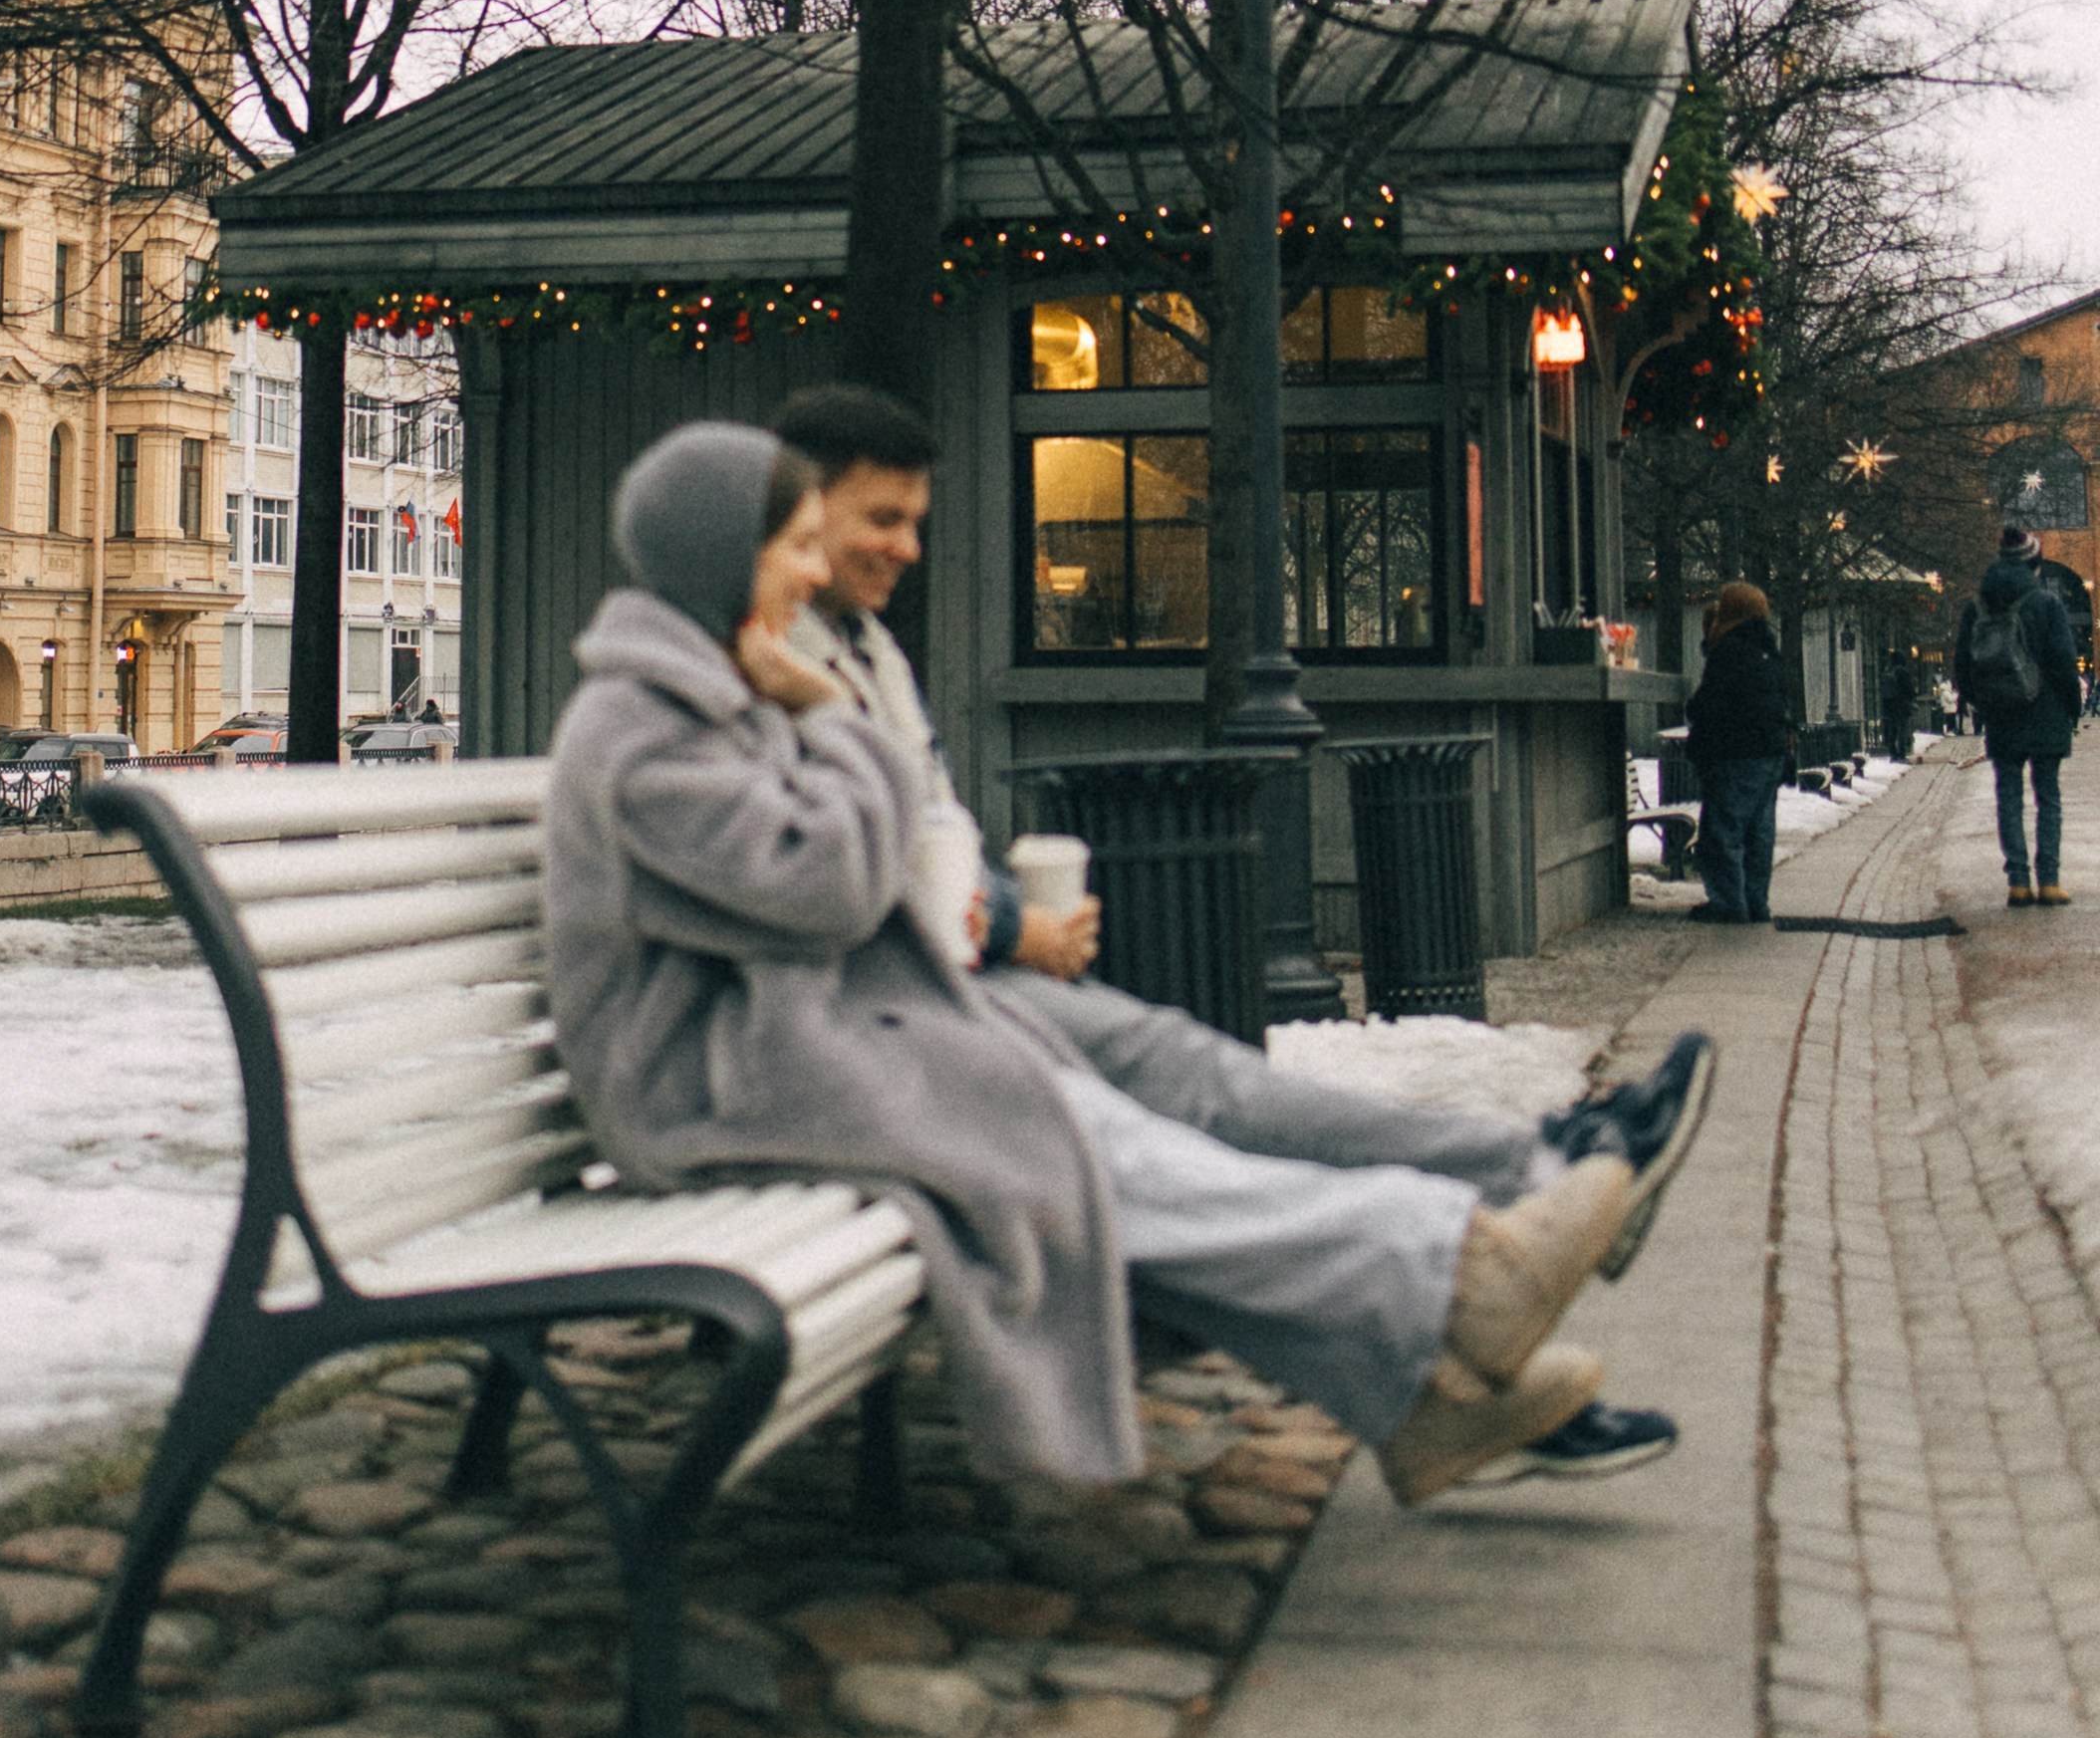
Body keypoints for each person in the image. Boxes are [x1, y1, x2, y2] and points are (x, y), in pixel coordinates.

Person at [546, 418, 1649, 1511]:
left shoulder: (709, 692)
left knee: (1098, 1134)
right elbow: (830, 888)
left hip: (789, 1051)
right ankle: (1458, 1272)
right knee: (1074, 1142)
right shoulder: (647, 729)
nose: (809, 569)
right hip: (712, 1088)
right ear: (723, 556)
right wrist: (836, 721)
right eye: (792, 544)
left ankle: (1425, 1387)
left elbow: (834, 881)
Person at [1955, 522, 2080, 907]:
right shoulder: (2046, 604)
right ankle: (2050, 881)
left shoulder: (1977, 606)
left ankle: (2019, 883)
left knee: (2008, 796)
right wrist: (2071, 709)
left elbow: (1963, 667)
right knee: (2048, 797)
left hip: (2002, 714)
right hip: (2046, 712)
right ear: (2034, 564)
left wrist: (1985, 703)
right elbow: (2064, 664)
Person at [1684, 583, 1793, 923]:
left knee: (1723, 831)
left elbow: (1710, 703)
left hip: (1736, 752)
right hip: (1771, 752)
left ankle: (1729, 903)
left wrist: (1694, 713)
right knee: (1759, 832)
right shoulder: (1768, 650)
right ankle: (1756, 901)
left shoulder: (1730, 651)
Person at [1879, 650, 1918, 766]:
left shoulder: (1888, 671)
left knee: (1892, 729)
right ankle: (1902, 754)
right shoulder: (1902, 672)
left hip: (1889, 705)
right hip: (1902, 704)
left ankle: (1893, 753)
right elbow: (1909, 689)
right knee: (1903, 729)